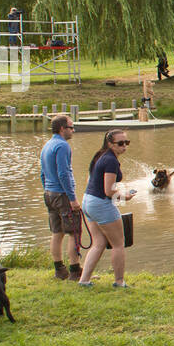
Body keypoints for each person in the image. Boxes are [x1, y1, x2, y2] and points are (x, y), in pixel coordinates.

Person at [78, 129, 134, 288]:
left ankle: (84, 280)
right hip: (101, 204)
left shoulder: (100, 155)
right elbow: (108, 191)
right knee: (118, 244)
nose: (124, 146)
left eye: (126, 143)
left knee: (99, 243)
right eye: (120, 143)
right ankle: (119, 282)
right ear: (110, 144)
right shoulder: (110, 160)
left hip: (88, 201)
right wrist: (125, 196)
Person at [40, 114, 83, 281]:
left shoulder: (46, 145)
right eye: (71, 127)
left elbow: (43, 173)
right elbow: (63, 173)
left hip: (49, 194)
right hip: (62, 194)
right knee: (74, 232)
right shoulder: (63, 146)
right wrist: (72, 198)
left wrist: (47, 191)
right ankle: (75, 271)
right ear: (62, 129)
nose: (73, 130)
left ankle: (59, 270)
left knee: (57, 232)